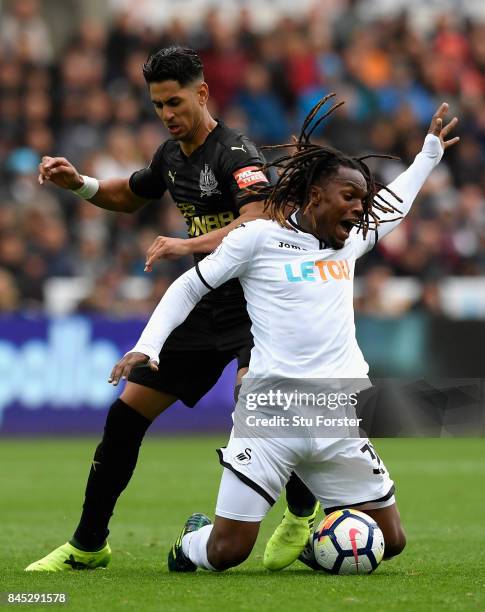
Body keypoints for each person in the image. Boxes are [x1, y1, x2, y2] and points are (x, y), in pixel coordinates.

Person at [107, 99, 458, 572]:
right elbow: (190, 284)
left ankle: (323, 545)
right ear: (315, 196)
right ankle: (192, 540)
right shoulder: (259, 239)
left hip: (338, 416)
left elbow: (394, 205)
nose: (360, 207)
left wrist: (429, 153)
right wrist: (147, 346)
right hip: (270, 416)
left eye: (363, 198)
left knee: (389, 542)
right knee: (226, 552)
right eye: (350, 196)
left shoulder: (351, 240)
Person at [25, 46, 316, 572]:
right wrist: (81, 184)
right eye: (158, 105)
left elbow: (259, 223)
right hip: (207, 306)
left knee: (257, 408)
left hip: (261, 305)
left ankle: (301, 511)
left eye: (175, 102)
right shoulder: (170, 156)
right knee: (125, 416)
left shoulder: (237, 152)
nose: (166, 114)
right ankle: (89, 546)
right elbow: (129, 195)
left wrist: (187, 246)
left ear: (202, 93)